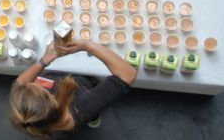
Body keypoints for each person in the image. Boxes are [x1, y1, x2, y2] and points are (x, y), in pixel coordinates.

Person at [9, 39, 137, 137]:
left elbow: (21, 82)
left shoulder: (24, 111)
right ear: (53, 102)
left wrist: (44, 61)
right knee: (93, 114)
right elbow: (128, 74)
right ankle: (94, 119)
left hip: (64, 80)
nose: (34, 81)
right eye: (40, 88)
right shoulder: (80, 108)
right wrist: (88, 46)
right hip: (83, 88)